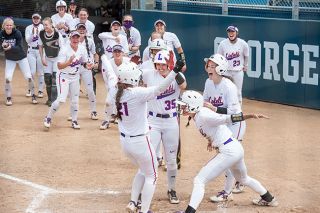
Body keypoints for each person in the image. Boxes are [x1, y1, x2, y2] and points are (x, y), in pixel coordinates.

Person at [177, 90, 278, 213]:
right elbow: (213, 129)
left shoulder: (204, 115)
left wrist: (250, 115)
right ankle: (269, 199)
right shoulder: (196, 116)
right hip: (235, 148)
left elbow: (228, 118)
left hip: (228, 151)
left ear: (192, 105)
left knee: (199, 180)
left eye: (183, 105)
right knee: (243, 179)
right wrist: (211, 140)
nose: (181, 107)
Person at [114, 59, 184, 213]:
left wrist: (105, 59)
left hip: (125, 143)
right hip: (140, 142)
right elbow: (160, 88)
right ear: (131, 78)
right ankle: (144, 210)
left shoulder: (116, 91)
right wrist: (175, 70)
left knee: (143, 170)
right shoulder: (137, 93)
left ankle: (133, 202)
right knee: (152, 176)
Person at [142, 50, 187, 204]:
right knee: (148, 157)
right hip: (153, 121)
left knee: (172, 160)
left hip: (171, 122)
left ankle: (172, 189)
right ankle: (144, 190)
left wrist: (174, 70)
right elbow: (137, 76)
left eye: (163, 64)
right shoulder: (149, 74)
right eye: (158, 64)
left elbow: (184, 86)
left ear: (169, 63)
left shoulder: (176, 76)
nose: (160, 67)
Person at [202, 53, 247, 202]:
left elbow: (234, 112)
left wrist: (215, 109)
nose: (209, 68)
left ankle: (227, 192)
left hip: (236, 123)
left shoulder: (229, 86)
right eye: (209, 65)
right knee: (236, 159)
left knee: (229, 156)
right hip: (223, 123)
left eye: (213, 66)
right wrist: (210, 136)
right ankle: (243, 180)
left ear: (220, 69)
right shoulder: (208, 83)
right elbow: (205, 105)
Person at [43, 30, 93, 129]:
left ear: (79, 38)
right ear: (70, 38)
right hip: (63, 76)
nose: (75, 39)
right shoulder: (64, 49)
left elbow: (83, 61)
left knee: (75, 101)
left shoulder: (82, 48)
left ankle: (74, 121)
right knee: (61, 99)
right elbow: (59, 66)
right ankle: (48, 117)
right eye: (73, 37)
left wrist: (87, 65)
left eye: (77, 37)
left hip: (75, 76)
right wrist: (69, 61)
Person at [0, 17, 37, 105]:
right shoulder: (1, 33)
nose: (9, 27)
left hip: (21, 58)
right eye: (7, 25)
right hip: (10, 59)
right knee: (8, 78)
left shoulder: (17, 33)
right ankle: (8, 98)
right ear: (3, 26)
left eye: (10, 25)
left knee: (28, 77)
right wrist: (2, 46)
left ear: (13, 26)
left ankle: (33, 95)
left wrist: (9, 47)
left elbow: (19, 47)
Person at [100, 44, 130, 130]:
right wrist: (110, 87)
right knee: (109, 102)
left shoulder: (128, 61)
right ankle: (106, 120)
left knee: (125, 103)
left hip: (126, 85)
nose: (117, 53)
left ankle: (123, 120)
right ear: (112, 53)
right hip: (113, 85)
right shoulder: (108, 63)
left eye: (119, 51)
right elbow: (105, 77)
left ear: (123, 53)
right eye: (115, 51)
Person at [217, 25, 249, 105]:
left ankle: (238, 112)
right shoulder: (223, 44)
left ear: (236, 33)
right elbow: (219, 57)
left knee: (238, 92)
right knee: (224, 90)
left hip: (238, 71)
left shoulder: (243, 43)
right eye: (229, 32)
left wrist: (246, 65)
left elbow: (246, 55)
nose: (231, 33)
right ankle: (225, 109)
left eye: (232, 31)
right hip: (226, 72)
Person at [39, 17, 64, 106]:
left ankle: (54, 100)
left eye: (46, 24)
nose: (45, 26)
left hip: (56, 58)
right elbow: (40, 46)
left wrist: (60, 60)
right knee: (47, 79)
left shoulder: (57, 34)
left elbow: (62, 48)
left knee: (54, 80)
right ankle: (49, 99)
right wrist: (42, 58)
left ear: (51, 24)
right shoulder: (41, 33)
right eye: (43, 24)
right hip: (47, 58)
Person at [76, 23, 99, 120]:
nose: (81, 31)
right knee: (74, 91)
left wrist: (96, 62)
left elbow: (95, 54)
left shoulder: (90, 41)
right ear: (76, 30)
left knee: (90, 90)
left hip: (87, 67)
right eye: (79, 29)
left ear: (86, 31)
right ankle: (73, 112)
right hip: (76, 67)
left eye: (83, 29)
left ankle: (93, 111)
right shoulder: (72, 40)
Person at [25, 13, 45, 99]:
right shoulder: (28, 28)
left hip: (40, 50)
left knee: (41, 72)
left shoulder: (43, 27)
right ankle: (30, 89)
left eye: (37, 18)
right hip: (31, 50)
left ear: (40, 19)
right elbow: (27, 41)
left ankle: (40, 90)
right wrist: (32, 34)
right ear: (32, 19)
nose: (36, 19)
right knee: (32, 72)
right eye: (34, 18)